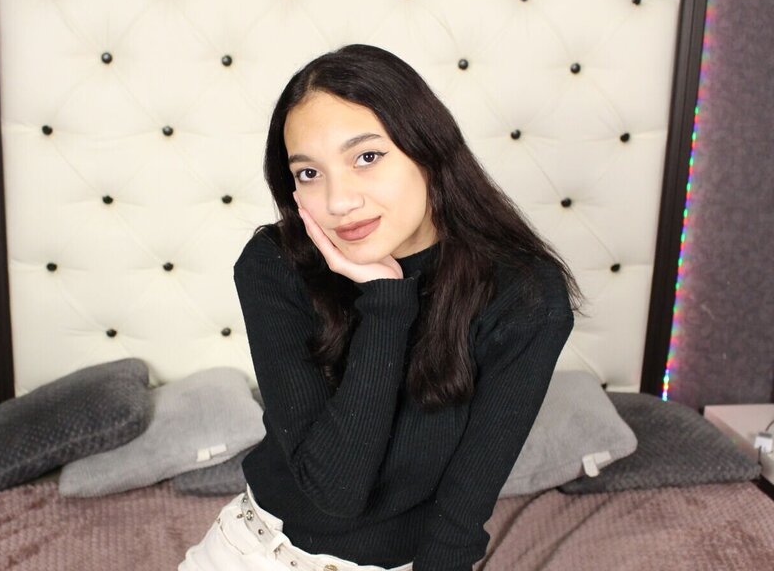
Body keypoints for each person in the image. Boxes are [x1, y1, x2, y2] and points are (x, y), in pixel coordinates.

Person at [180, 43, 581, 571]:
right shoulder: (275, 264)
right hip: (251, 551)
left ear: (428, 148)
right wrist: (387, 305)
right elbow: (334, 490)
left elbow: (459, 520)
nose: (339, 201)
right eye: (309, 173)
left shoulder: (523, 296)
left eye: (366, 158)